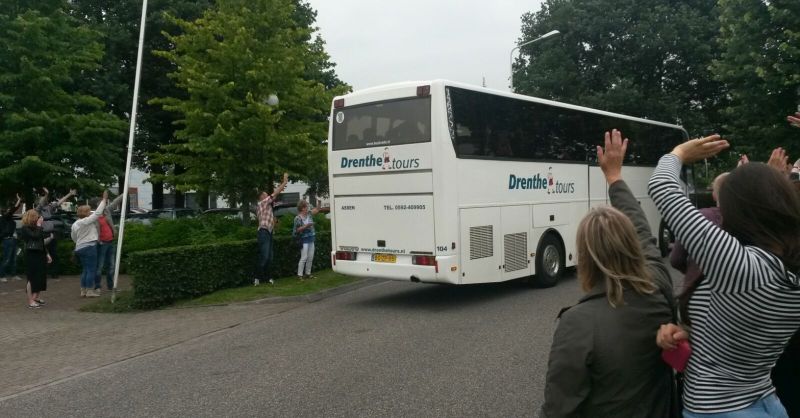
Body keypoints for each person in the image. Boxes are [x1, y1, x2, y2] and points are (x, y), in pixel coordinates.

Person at [650, 135, 800, 418]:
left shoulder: (742, 267)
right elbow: (745, 329)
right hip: (763, 400)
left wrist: (678, 152)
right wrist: (693, 333)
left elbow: (662, 188)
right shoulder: (786, 269)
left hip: (720, 409)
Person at [540, 130, 675, 418]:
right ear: (631, 245)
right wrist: (615, 178)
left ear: (585, 259)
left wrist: (613, 175)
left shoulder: (577, 323)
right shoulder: (658, 289)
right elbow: (643, 232)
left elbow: (559, 408)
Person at [669, 172, 726, 323]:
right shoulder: (752, 221)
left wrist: (693, 271)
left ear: (714, 195)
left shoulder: (700, 217)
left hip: (695, 301)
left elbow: (675, 259)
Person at [71, 191, 107, 297]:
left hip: (79, 248)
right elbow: (98, 213)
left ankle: (83, 290)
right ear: (86, 213)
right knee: (91, 269)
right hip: (89, 247)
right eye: (88, 211)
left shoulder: (75, 224)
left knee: (85, 270)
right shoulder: (86, 221)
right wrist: (104, 200)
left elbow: (73, 237)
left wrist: (79, 243)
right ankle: (90, 291)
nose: (90, 212)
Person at [254, 173, 288, 286]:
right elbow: (276, 193)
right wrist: (284, 182)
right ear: (261, 198)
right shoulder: (262, 203)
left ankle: (268, 278)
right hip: (263, 232)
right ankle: (257, 278)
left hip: (269, 232)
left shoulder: (267, 208)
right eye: (265, 194)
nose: (267, 195)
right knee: (265, 256)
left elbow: (273, 222)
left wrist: (275, 223)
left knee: (270, 257)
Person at [36, 187, 76, 279]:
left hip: (51, 233)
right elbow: (42, 202)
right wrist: (46, 194)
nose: (46, 200)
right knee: (43, 254)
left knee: (54, 254)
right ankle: (43, 273)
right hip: (43, 234)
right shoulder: (39, 208)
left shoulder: (50, 207)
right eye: (44, 198)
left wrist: (69, 194)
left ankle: (54, 273)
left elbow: (59, 202)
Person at [18, 209, 53, 308]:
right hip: (31, 255)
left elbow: (41, 241)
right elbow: (34, 236)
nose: (38, 218)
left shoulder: (37, 227)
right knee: (32, 277)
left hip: (40, 254)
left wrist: (47, 254)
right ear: (32, 217)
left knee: (41, 276)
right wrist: (39, 225)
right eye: (36, 216)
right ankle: (30, 301)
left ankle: (35, 297)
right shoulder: (25, 228)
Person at [94, 193, 124, 292]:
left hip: (110, 242)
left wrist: (124, 193)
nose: (104, 206)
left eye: (104, 204)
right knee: (100, 266)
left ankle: (110, 286)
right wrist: (98, 240)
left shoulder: (107, 211)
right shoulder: (94, 217)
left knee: (111, 266)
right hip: (102, 244)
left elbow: (115, 202)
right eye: (102, 204)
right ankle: (97, 286)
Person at [293, 200, 319, 280]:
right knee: (304, 257)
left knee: (310, 257)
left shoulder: (309, 214)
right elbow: (296, 230)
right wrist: (306, 226)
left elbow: (317, 210)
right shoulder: (297, 218)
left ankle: (308, 273)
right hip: (303, 239)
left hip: (311, 238)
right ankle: (300, 275)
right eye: (306, 206)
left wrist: (319, 203)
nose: (308, 208)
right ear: (302, 208)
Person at [0, 194, 23, 282]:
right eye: (8, 210)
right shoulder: (4, 218)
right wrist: (18, 200)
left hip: (13, 240)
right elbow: (14, 209)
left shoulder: (10, 220)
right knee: (7, 259)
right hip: (7, 240)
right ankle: (1, 275)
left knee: (14, 259)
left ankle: (13, 275)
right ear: (5, 212)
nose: (10, 211)